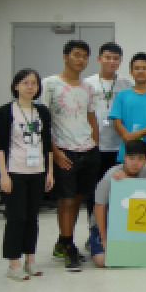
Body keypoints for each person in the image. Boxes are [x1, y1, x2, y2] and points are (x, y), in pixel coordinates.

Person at [41, 40, 99, 272]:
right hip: (63, 150)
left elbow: (91, 118)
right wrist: (54, 151)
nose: (80, 60)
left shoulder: (88, 88)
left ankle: (63, 241)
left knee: (77, 199)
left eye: (84, 56)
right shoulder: (49, 84)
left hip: (87, 150)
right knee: (65, 200)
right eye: (76, 55)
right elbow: (43, 122)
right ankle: (67, 245)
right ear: (65, 56)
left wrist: (94, 144)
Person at [0, 69, 54, 280]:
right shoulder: (5, 111)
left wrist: (50, 172)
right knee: (16, 217)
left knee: (32, 218)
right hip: (15, 171)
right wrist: (3, 174)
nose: (30, 87)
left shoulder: (42, 112)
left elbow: (47, 144)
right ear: (16, 86)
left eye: (34, 83)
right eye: (25, 82)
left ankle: (30, 260)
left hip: (38, 171)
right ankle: (14, 264)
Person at [89, 139, 146, 268]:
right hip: (106, 223)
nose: (135, 163)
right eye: (131, 158)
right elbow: (99, 206)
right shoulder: (111, 176)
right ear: (124, 157)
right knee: (102, 260)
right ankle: (95, 240)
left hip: (131, 223)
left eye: (140, 159)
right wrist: (104, 239)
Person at [83, 42, 133, 193]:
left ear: (120, 61)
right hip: (94, 144)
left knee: (118, 188)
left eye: (116, 58)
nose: (111, 61)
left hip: (119, 145)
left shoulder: (127, 83)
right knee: (95, 187)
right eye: (107, 57)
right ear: (99, 59)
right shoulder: (87, 83)